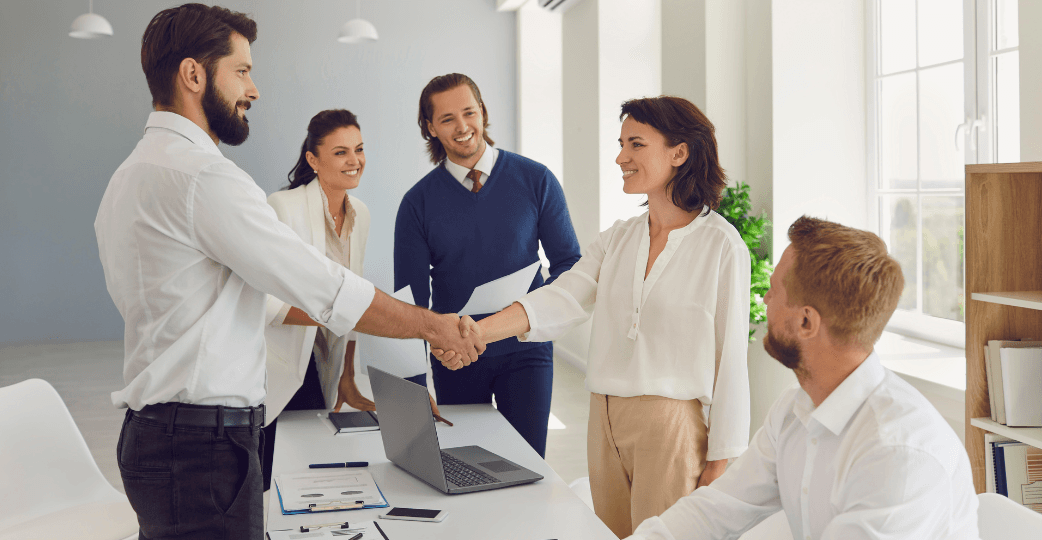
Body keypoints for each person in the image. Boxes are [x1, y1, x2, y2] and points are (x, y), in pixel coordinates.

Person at [94, 5, 482, 539]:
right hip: (201, 449)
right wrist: (434, 326)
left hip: (156, 436)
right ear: (193, 75)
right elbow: (325, 288)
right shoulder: (204, 178)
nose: (253, 90)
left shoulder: (130, 174)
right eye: (243, 70)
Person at [437, 95, 752, 538]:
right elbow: (560, 297)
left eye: (636, 144)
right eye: (621, 143)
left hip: (669, 424)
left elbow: (731, 359)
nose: (621, 157)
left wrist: (721, 462)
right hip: (603, 419)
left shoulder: (722, 245)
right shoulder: (620, 238)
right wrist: (476, 332)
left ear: (679, 153)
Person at [622, 216, 981, 540]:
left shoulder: (897, 455)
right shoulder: (795, 410)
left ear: (806, 322)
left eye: (775, 290)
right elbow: (717, 509)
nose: (764, 299)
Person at [394, 73, 581, 458]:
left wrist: (540, 318)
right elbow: (410, 303)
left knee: (527, 466)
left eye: (469, 112)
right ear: (431, 128)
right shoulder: (417, 204)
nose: (463, 127)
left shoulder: (536, 180)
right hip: (456, 357)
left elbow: (568, 265)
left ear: (483, 113)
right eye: (447, 119)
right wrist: (414, 385)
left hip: (527, 351)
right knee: (467, 464)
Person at [260, 109, 441, 491]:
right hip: (282, 358)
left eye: (359, 149)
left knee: (310, 460)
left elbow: (352, 289)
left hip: (326, 356)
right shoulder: (282, 207)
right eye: (341, 152)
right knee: (280, 464)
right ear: (313, 159)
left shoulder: (360, 213)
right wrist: (339, 316)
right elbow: (267, 303)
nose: (354, 160)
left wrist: (346, 377)